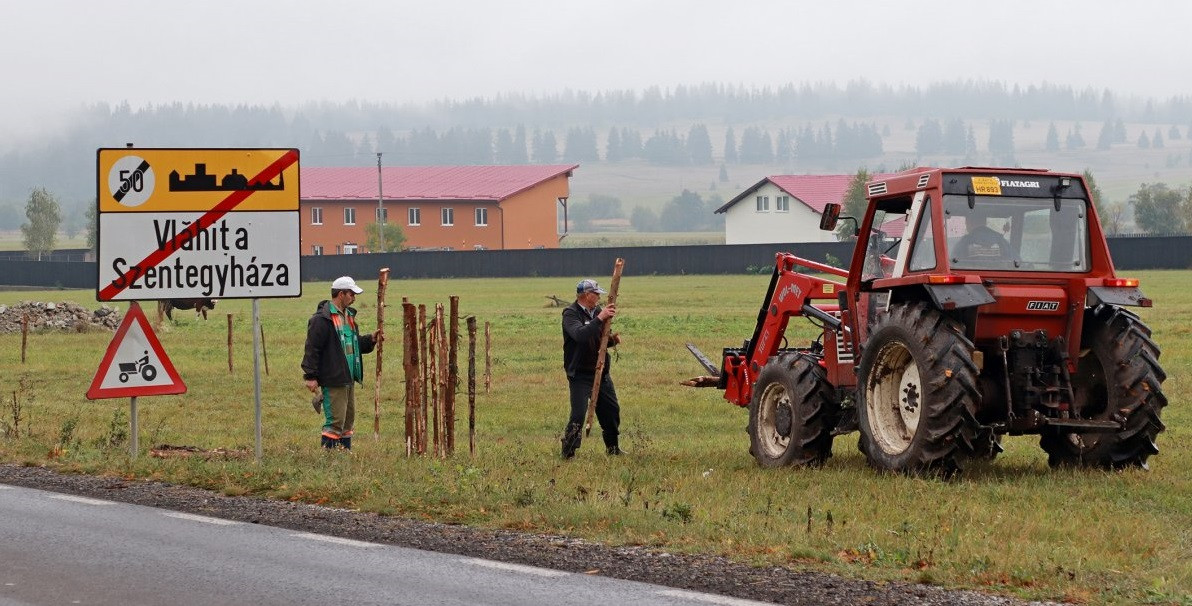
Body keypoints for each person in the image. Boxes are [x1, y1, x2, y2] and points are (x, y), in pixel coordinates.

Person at [301, 276, 383, 449]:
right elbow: (312, 349)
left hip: (348, 377)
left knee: (348, 420)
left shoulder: (349, 317)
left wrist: (370, 340)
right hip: (333, 377)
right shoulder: (321, 320)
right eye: (351, 294)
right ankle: (329, 460)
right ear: (340, 294)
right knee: (336, 421)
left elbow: (353, 345)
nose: (354, 297)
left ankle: (344, 456)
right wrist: (310, 376)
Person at [561, 278, 623, 459]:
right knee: (578, 414)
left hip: (600, 370)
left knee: (611, 410)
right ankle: (568, 452)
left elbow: (596, 340)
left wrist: (611, 340)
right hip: (579, 374)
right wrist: (600, 318)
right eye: (596, 294)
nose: (598, 297)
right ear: (586, 295)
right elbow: (580, 335)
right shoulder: (570, 314)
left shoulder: (596, 311)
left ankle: (613, 448)